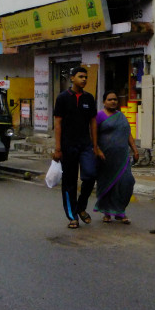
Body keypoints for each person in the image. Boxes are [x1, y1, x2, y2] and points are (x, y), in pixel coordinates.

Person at [53, 67, 103, 229]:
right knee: (69, 182)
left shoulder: (89, 98)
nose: (84, 79)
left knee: (90, 175)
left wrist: (95, 146)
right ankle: (72, 216)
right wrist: (58, 148)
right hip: (68, 147)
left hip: (85, 145)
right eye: (81, 76)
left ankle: (81, 206)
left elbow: (93, 123)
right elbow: (58, 123)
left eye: (85, 77)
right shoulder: (62, 98)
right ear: (72, 78)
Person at [93, 90, 139, 224]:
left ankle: (120, 211)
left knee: (127, 182)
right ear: (104, 102)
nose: (113, 101)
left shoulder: (121, 116)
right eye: (110, 99)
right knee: (107, 184)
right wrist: (97, 149)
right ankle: (108, 213)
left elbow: (128, 134)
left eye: (115, 99)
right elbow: (93, 134)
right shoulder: (99, 116)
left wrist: (135, 150)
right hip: (105, 158)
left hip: (122, 157)